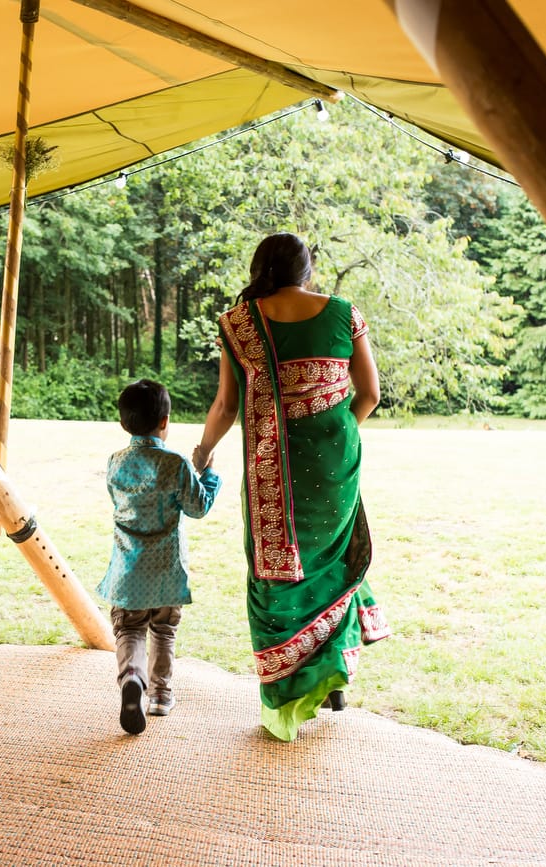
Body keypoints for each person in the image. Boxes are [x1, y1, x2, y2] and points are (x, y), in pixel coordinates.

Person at [192, 232, 391, 742]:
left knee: (279, 572)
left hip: (272, 470)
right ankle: (332, 680)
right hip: (336, 461)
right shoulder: (345, 312)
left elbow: (226, 406)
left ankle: (290, 693)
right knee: (330, 560)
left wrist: (204, 449)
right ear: (308, 270)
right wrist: (335, 434)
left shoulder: (238, 323)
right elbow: (368, 394)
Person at [98, 379, 222, 735]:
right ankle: (160, 695)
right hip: (166, 570)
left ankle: (132, 680)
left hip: (127, 570)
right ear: (165, 421)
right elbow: (199, 507)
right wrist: (208, 472)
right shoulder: (175, 463)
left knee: (129, 629)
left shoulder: (115, 463)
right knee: (164, 630)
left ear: (124, 423)